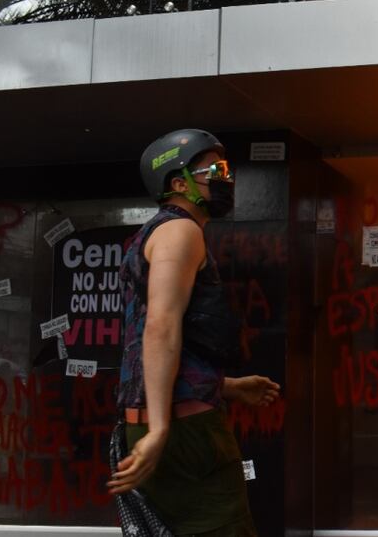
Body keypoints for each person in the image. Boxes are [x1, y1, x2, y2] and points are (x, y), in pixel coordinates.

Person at [108, 128, 280, 536]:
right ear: (178, 182)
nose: (227, 177)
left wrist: (227, 386)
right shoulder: (180, 232)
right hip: (184, 432)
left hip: (159, 424)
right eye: (215, 168)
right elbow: (161, 327)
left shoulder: (149, 237)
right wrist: (162, 428)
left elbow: (162, 338)